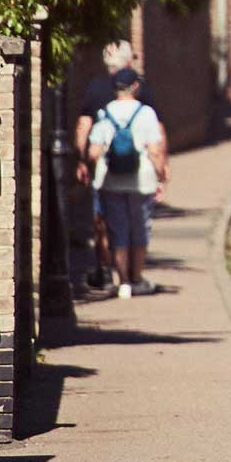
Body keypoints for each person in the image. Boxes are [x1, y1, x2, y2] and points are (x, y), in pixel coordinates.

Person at [85, 69, 168, 298]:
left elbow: (93, 151)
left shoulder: (105, 113)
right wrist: (161, 176)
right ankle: (137, 279)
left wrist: (91, 164)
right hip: (141, 181)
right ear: (134, 87)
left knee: (118, 230)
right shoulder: (146, 113)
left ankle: (123, 283)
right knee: (140, 229)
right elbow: (155, 151)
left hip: (110, 181)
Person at [73, 42, 137, 287]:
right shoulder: (139, 89)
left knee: (101, 219)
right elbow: (156, 131)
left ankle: (106, 267)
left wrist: (81, 161)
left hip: (102, 170)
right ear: (129, 62)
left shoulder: (95, 88)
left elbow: (83, 126)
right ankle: (129, 274)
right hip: (136, 174)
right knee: (130, 221)